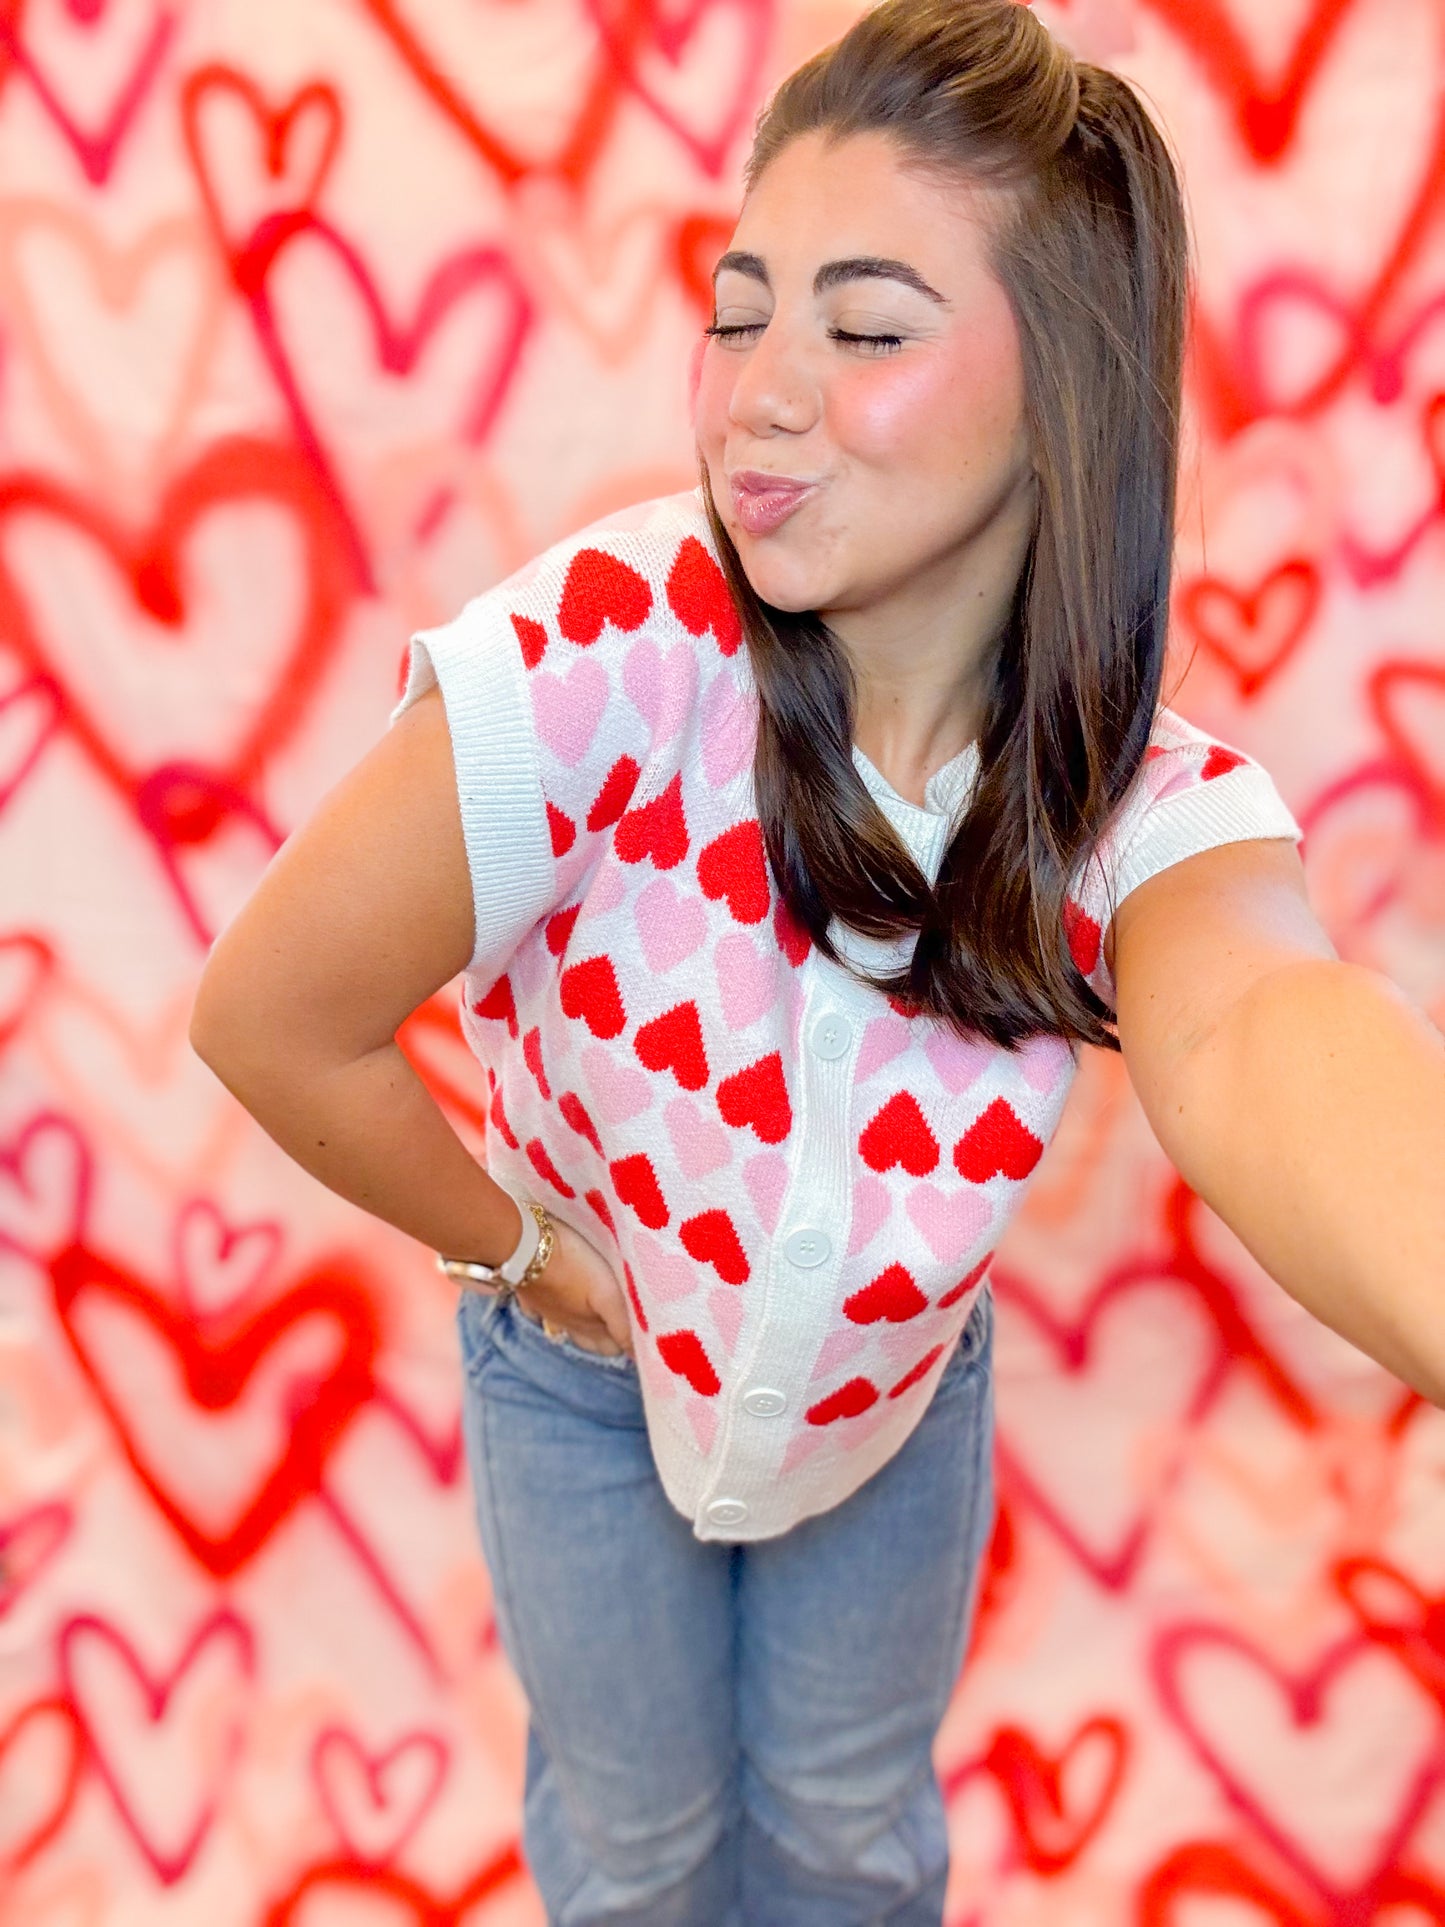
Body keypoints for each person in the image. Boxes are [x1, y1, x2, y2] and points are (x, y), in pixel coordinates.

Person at [189, 0, 1445, 1919]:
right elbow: (267, 1016)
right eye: (738, 305)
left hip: (889, 1406)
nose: (759, 389)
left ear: (1065, 392)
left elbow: (1263, 1024)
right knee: (636, 1844)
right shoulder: (607, 659)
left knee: (850, 1833)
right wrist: (529, 1258)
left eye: (861, 329)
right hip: (579, 1387)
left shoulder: (1120, 803)